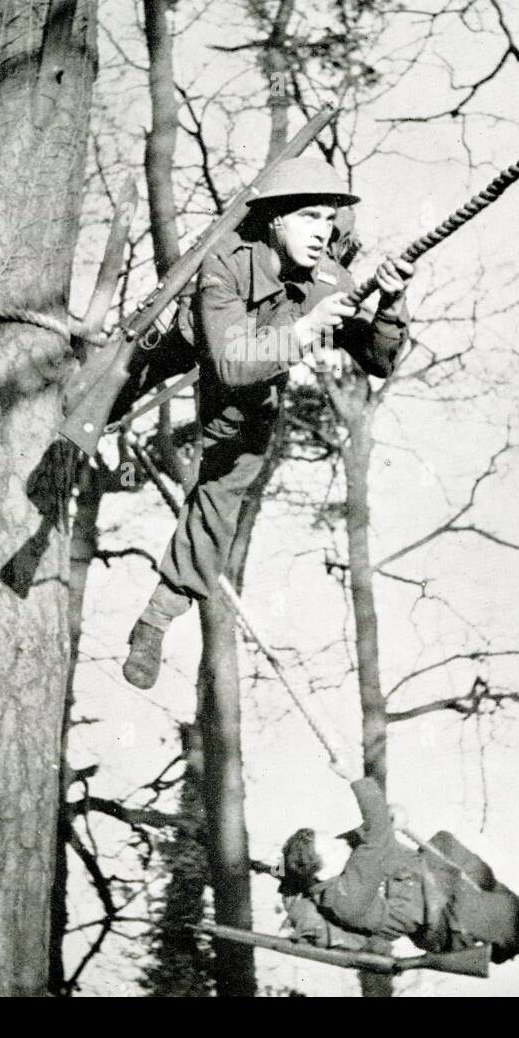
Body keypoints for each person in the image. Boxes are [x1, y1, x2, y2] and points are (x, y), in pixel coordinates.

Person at [122, 153, 414, 689]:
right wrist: (305, 332)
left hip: (251, 386)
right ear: (276, 218)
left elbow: (379, 359)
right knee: (104, 391)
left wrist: (392, 301)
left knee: (227, 484)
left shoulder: (329, 279)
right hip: (185, 347)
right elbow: (229, 361)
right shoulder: (226, 262)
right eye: (309, 217)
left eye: (330, 219)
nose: (322, 232)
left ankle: (157, 618)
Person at [275, 764, 519, 963]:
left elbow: (372, 828)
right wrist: (354, 778)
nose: (339, 842)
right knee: (489, 911)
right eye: (331, 847)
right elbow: (378, 830)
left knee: (445, 845)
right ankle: (512, 932)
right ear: (322, 873)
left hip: (423, 880)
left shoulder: (339, 862)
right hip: (437, 917)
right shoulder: (346, 897)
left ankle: (514, 911)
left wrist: (394, 814)